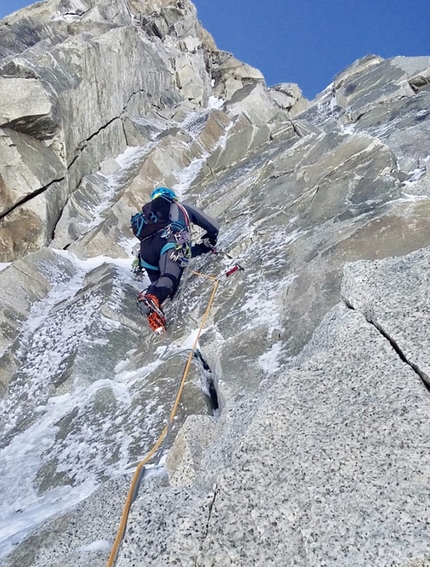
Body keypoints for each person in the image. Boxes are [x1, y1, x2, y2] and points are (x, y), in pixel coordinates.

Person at [132, 187, 219, 333]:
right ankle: (150, 298)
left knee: (164, 289)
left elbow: (185, 253)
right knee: (169, 277)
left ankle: (155, 309)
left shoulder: (148, 218)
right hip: (168, 241)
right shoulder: (180, 207)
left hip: (145, 254)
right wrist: (211, 239)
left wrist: (199, 249)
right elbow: (213, 226)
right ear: (172, 197)